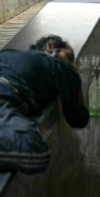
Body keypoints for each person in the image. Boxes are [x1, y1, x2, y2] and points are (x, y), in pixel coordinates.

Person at [0, 35, 89, 173]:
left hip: (7, 93)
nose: (70, 62)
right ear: (50, 47)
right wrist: (72, 75)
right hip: (5, 94)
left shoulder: (9, 54)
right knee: (35, 151)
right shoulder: (57, 65)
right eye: (69, 56)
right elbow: (78, 119)